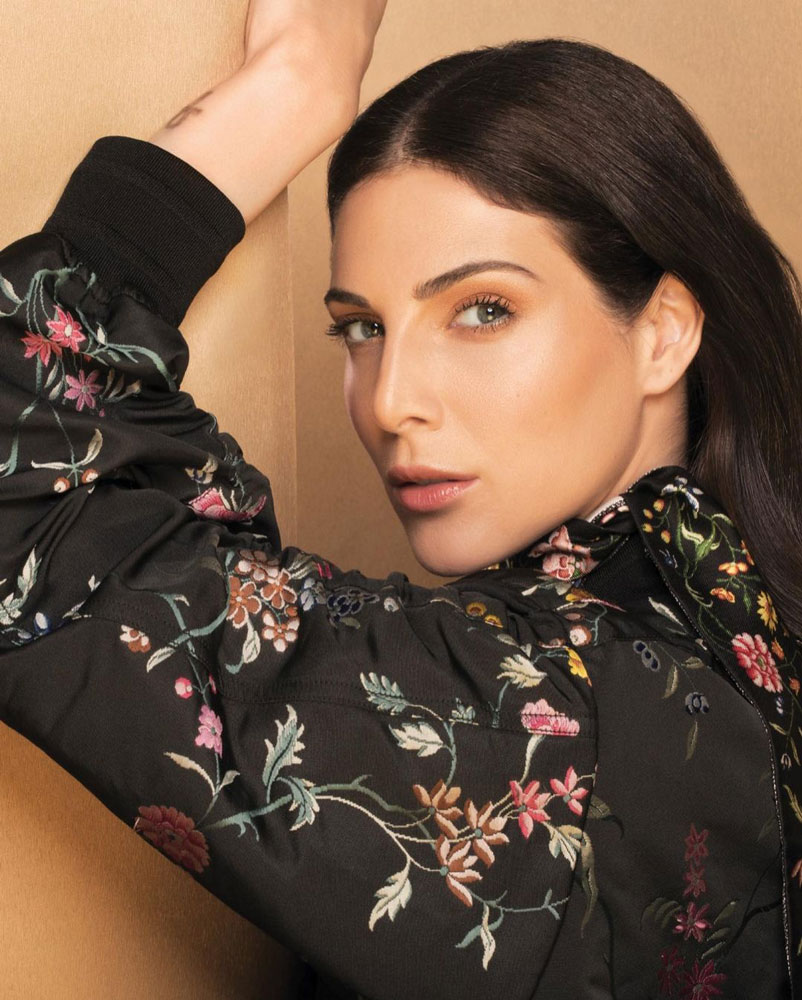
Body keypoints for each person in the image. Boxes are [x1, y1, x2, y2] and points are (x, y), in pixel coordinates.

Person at [1, 1, 801, 997]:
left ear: (663, 331)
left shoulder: (553, 719)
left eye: (482, 310)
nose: (388, 403)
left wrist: (290, 90)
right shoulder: (725, 630)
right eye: (361, 328)